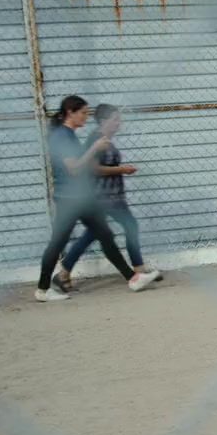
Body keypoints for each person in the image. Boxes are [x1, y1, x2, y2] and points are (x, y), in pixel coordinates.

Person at [35, 96, 160, 302]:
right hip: (69, 198)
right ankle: (43, 289)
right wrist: (94, 148)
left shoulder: (68, 134)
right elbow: (74, 168)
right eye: (83, 112)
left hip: (80, 197)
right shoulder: (63, 136)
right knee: (58, 243)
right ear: (70, 112)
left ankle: (133, 278)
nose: (86, 116)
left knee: (105, 235)